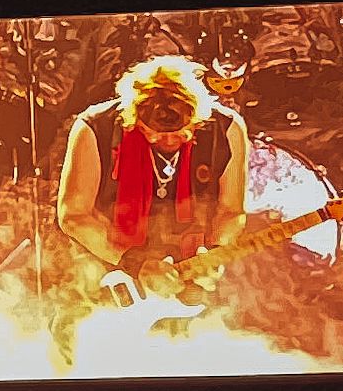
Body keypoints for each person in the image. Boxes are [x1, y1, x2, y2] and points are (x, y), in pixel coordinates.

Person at [56, 56, 247, 302]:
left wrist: (214, 254)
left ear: (197, 118)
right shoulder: (95, 126)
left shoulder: (227, 129)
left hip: (187, 280)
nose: (168, 142)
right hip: (109, 275)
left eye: (180, 134)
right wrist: (135, 262)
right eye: (154, 135)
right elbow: (74, 216)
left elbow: (231, 211)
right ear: (134, 119)